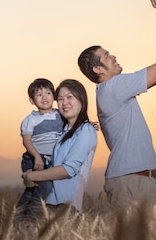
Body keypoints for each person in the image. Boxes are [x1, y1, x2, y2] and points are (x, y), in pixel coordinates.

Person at [77, 3, 156, 210]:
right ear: (97, 69)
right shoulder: (113, 87)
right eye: (106, 56)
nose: (113, 56)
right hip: (130, 183)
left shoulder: (112, 91)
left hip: (144, 179)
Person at [22, 79, 97, 213]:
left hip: (65, 205)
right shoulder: (64, 131)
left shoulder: (85, 130)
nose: (64, 103)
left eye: (70, 97)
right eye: (61, 99)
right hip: (50, 204)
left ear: (82, 99)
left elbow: (68, 169)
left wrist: (32, 176)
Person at [14, 78, 63, 222]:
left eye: (48, 93)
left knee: (34, 189)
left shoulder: (60, 114)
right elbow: (26, 140)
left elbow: (75, 124)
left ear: (54, 96)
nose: (44, 97)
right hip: (36, 158)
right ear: (32, 100)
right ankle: (29, 219)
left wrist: (88, 124)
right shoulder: (30, 119)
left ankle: (18, 218)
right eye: (39, 95)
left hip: (51, 159)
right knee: (44, 188)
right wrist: (37, 156)